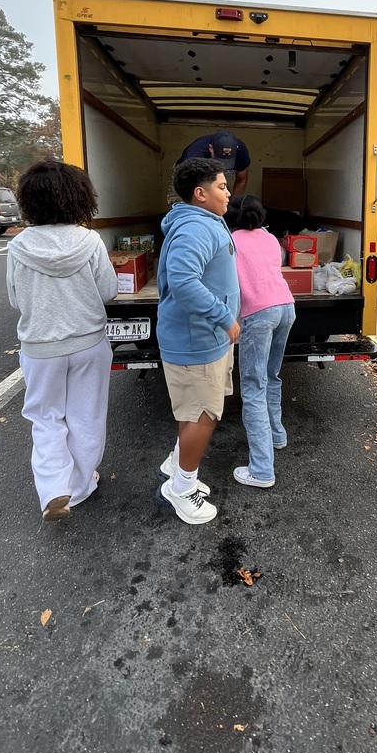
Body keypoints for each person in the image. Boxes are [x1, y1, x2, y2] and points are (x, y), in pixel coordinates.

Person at [6, 160, 118, 521]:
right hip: (88, 343)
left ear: (28, 202)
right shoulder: (89, 241)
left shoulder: (19, 245)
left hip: (40, 349)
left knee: (45, 417)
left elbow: (15, 300)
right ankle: (82, 485)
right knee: (86, 416)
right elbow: (109, 291)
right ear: (78, 197)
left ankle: (55, 489)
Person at [155, 158, 241, 525]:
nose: (229, 192)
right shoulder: (195, 228)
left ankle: (178, 465)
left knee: (201, 409)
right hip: (196, 341)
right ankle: (181, 487)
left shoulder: (205, 221)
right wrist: (224, 316)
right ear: (200, 193)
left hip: (209, 340)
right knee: (201, 415)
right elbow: (184, 282)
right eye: (222, 186)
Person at [225, 195, 296, 487]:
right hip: (286, 307)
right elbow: (277, 263)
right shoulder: (270, 239)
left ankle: (262, 469)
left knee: (253, 387)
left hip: (258, 313)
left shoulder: (230, 241)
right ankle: (277, 436)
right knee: (271, 375)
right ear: (261, 216)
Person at [178, 131, 251, 196]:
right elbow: (190, 187)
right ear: (211, 148)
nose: (223, 166)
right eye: (220, 159)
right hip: (186, 179)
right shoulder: (194, 154)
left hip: (214, 178)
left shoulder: (241, 151)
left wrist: (232, 207)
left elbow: (241, 180)